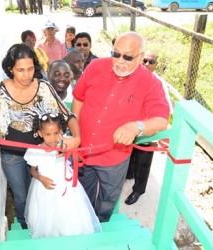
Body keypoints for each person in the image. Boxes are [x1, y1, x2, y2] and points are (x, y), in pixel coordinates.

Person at [0, 44, 81, 229]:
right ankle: (26, 226)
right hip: (12, 155)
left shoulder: (44, 87)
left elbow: (67, 115)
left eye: (30, 69)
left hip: (43, 153)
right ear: (10, 69)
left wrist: (76, 138)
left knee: (43, 190)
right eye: (20, 70)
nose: (26, 75)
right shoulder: (1, 92)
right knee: (21, 194)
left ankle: (42, 224)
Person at [72, 32, 170, 222]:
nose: (119, 61)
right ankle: (83, 222)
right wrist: (75, 135)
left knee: (108, 199)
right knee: (82, 192)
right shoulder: (95, 66)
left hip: (114, 158)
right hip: (82, 150)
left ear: (141, 57)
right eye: (115, 54)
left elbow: (161, 120)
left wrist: (136, 127)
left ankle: (101, 225)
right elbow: (79, 98)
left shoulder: (150, 83)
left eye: (127, 57)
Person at [24, 113, 101, 238]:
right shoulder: (34, 150)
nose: (53, 138)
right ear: (40, 133)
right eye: (47, 134)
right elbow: (32, 170)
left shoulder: (64, 144)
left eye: (56, 133)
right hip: (46, 186)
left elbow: (78, 158)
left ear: (61, 131)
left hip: (66, 184)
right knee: (48, 214)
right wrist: (40, 178)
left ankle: (69, 233)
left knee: (69, 211)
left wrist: (68, 153)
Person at [125, 49, 173, 205]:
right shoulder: (131, 76)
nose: (147, 64)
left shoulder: (158, 83)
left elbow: (165, 113)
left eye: (151, 62)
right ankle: (129, 175)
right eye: (144, 60)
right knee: (130, 155)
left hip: (147, 130)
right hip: (130, 127)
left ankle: (138, 190)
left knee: (144, 161)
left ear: (155, 65)